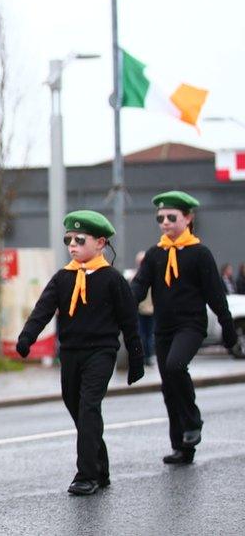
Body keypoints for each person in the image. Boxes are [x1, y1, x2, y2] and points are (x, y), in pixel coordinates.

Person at [17, 210, 144, 496]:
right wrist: (27, 337)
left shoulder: (112, 279)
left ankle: (86, 474)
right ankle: (101, 466)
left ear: (100, 243)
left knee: (89, 407)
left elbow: (129, 322)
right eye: (68, 239)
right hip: (71, 353)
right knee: (76, 407)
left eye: (79, 239)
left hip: (101, 352)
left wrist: (136, 358)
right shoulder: (63, 277)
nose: (72, 245)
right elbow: (43, 310)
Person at [131, 191, 237, 466]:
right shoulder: (155, 254)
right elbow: (138, 288)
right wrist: (118, 308)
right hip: (163, 327)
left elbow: (215, 294)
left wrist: (228, 329)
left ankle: (193, 421)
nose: (164, 222)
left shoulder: (200, 254)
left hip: (191, 325)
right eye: (160, 218)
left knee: (176, 366)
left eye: (171, 217)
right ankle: (182, 447)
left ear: (188, 218)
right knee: (168, 385)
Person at [132, 251, 156, 367]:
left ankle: (147, 356)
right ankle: (146, 356)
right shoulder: (137, 276)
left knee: (147, 335)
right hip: (142, 310)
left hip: (149, 310)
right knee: (144, 335)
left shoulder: (150, 275)